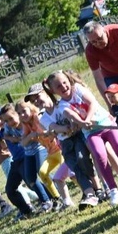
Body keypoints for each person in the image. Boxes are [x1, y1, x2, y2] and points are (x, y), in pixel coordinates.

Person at [46, 70, 118, 206]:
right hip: (91, 132)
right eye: (58, 86)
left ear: (69, 81)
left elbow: (92, 102)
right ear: (53, 91)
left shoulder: (78, 89)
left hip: (107, 124)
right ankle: (113, 191)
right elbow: (70, 115)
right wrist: (82, 123)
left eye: (64, 82)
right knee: (99, 155)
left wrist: (86, 119)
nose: (63, 87)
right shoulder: (62, 105)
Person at [33, 80, 101, 209]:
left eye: (37, 97)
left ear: (46, 93)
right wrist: (67, 128)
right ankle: (90, 194)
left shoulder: (61, 104)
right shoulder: (42, 118)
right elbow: (54, 127)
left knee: (83, 159)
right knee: (75, 167)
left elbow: (73, 113)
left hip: (77, 137)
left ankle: (98, 189)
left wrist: (75, 122)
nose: (36, 101)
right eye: (33, 100)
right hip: (65, 144)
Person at [0, 104, 47, 219]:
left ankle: (47, 200)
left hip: (27, 156)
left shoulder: (25, 126)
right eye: (6, 120)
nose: (9, 122)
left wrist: (18, 139)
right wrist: (10, 138)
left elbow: (30, 137)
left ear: (17, 114)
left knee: (31, 181)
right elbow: (4, 135)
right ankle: (26, 210)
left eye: (11, 118)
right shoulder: (8, 127)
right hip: (16, 160)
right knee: (10, 189)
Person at [17, 100, 62, 210]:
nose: (22, 115)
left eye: (24, 111)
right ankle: (57, 198)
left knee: (71, 173)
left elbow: (48, 131)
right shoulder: (27, 123)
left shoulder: (38, 117)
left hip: (60, 148)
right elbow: (23, 143)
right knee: (42, 173)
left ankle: (90, 188)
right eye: (19, 113)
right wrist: (31, 135)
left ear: (31, 108)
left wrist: (36, 135)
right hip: (51, 152)